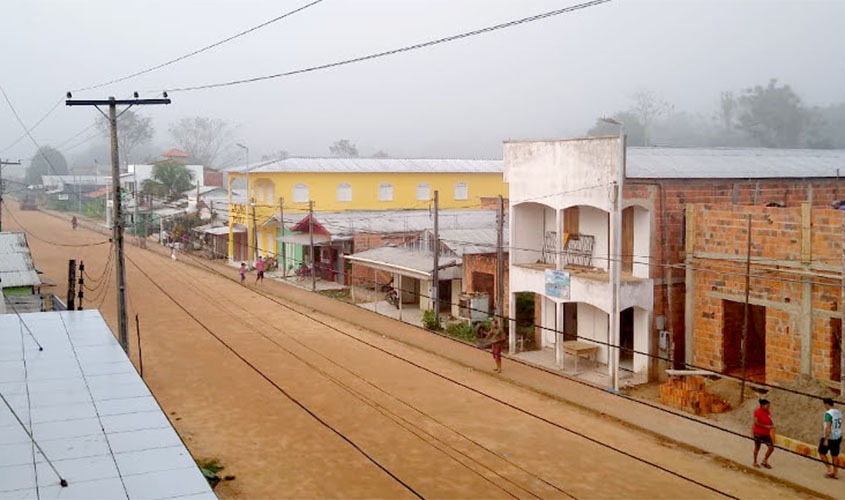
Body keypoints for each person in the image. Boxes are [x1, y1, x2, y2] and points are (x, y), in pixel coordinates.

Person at [819, 397, 842, 479]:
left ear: (826, 404)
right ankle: (836, 472)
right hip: (838, 436)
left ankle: (829, 469)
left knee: (821, 452)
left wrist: (826, 439)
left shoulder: (828, 414)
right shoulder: (838, 412)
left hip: (830, 437)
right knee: (835, 455)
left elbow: (828, 427)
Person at [752, 398, 774, 469]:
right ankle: (755, 462)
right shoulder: (757, 412)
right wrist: (766, 426)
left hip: (766, 433)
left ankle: (764, 460)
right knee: (757, 447)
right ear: (762, 405)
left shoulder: (768, 412)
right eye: (767, 405)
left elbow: (769, 419)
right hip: (758, 433)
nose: (768, 407)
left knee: (771, 448)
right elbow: (756, 422)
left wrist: (771, 424)